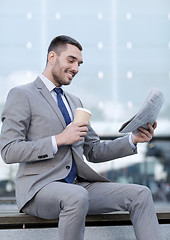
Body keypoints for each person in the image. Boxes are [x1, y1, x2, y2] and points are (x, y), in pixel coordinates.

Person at [0, 35, 162, 240]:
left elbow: (93, 151)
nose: (76, 68)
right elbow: (9, 150)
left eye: (79, 63)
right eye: (71, 60)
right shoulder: (22, 95)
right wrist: (58, 139)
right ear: (52, 57)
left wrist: (133, 139)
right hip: (38, 190)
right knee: (76, 196)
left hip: (78, 187)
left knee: (141, 194)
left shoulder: (74, 101)